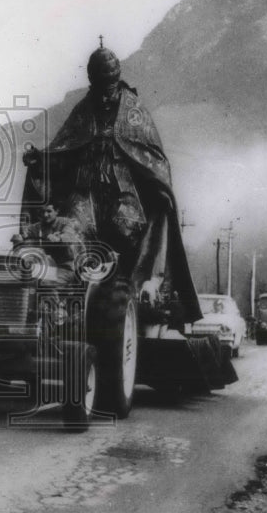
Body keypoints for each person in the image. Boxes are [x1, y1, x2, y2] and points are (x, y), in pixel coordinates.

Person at [20, 45, 202, 326]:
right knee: (72, 231)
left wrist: (160, 188)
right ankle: (71, 299)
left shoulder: (134, 111)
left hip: (123, 191)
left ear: (117, 80)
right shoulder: (83, 110)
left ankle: (122, 293)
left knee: (126, 227)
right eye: (100, 85)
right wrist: (39, 159)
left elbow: (153, 156)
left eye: (110, 85)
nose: (105, 93)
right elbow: (63, 149)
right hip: (85, 191)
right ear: (92, 82)